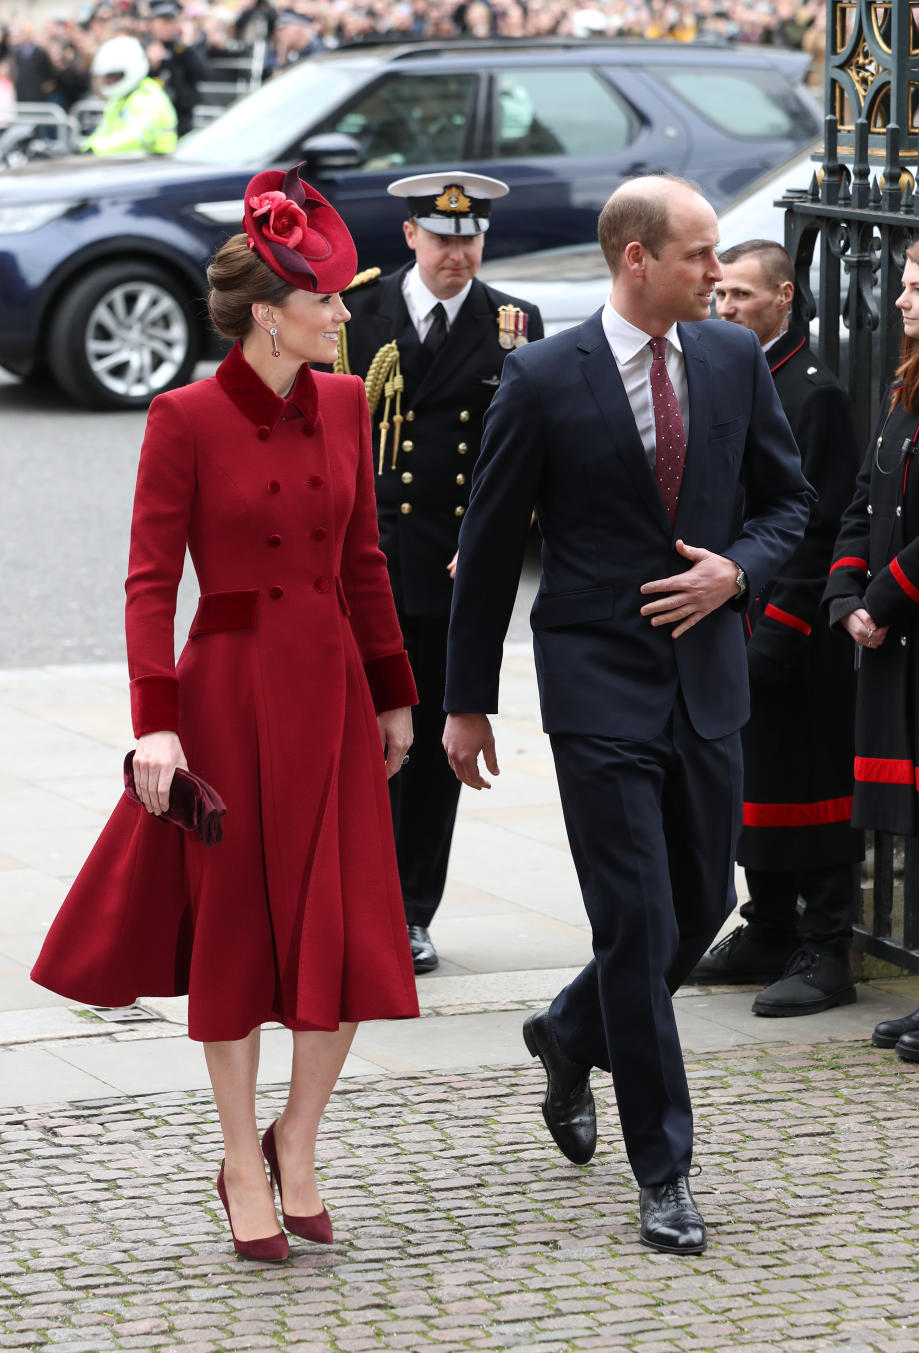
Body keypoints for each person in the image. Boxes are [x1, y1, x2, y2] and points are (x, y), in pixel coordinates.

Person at [32, 164, 419, 1262]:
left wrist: (395, 695)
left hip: (334, 688)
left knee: (342, 931)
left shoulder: (346, 403)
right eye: (328, 300)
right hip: (231, 698)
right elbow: (151, 580)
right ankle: (239, 1164)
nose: (345, 315)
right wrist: (156, 724)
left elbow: (365, 562)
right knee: (243, 937)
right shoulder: (183, 417)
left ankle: (297, 1140)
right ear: (270, 315)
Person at [442, 175, 812, 1254]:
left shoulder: (737, 361)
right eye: (700, 255)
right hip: (596, 682)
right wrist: (467, 703)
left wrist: (734, 575)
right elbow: (489, 545)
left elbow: (790, 505)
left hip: (708, 679)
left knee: (701, 902)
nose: (720, 275)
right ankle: (667, 1170)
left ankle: (568, 1031)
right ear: (636, 259)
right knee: (639, 920)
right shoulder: (543, 376)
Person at [336, 172, 543, 974]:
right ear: (411, 236)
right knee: (359, 739)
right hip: (366, 563)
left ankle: (411, 909)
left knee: (431, 749)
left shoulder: (513, 324)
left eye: (471, 239)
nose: (458, 253)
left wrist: (501, 538)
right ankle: (354, 899)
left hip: (453, 569)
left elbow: (527, 453)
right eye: (443, 237)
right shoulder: (355, 313)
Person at [691, 239, 863, 1015]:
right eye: (720, 295)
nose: (726, 308)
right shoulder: (729, 371)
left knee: (809, 784)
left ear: (786, 297)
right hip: (735, 612)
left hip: (793, 626)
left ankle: (827, 946)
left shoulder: (814, 390)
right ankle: (767, 924)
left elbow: (817, 523)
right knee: (752, 784)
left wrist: (780, 630)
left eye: (743, 296)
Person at [824, 230, 919, 1064]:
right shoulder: (912, 387)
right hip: (901, 641)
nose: (901, 301)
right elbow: (866, 500)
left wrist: (884, 599)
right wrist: (845, 597)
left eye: (914, 288)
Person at [84, 33, 177, 155]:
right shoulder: (120, 99)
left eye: (114, 77)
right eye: (108, 78)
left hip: (157, 165)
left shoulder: (147, 97)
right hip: (128, 165)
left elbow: (138, 135)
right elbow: (103, 132)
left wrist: (97, 148)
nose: (110, 81)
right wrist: (86, 148)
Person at [147, 0, 207, 137]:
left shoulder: (183, 49)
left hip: (182, 118)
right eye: (162, 21)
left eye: (170, 21)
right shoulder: (144, 48)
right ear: (152, 23)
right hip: (152, 120)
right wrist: (152, 66)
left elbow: (203, 73)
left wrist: (187, 47)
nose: (167, 27)